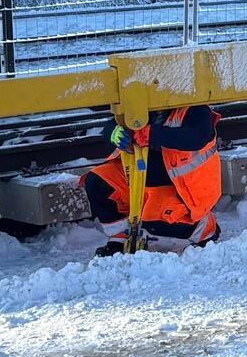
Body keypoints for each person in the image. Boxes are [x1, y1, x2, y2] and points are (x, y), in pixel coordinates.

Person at [80, 106, 223, 256]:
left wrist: (154, 134)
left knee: (152, 221)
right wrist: (113, 132)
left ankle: (203, 229)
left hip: (183, 193)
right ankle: (120, 238)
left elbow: (196, 137)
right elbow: (113, 123)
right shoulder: (142, 104)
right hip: (139, 183)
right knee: (97, 182)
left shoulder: (195, 108)